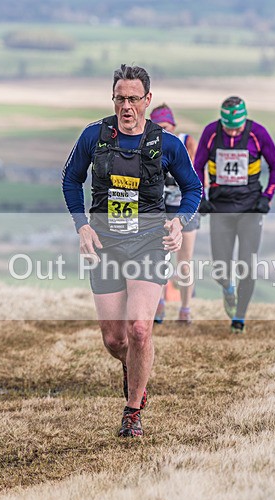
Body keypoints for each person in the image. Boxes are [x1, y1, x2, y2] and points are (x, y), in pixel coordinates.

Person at [62, 65, 202, 437]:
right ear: (113, 99)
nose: (127, 106)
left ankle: (132, 409)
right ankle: (133, 368)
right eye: (120, 98)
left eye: (134, 99)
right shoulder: (94, 136)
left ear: (147, 101)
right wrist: (83, 226)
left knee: (140, 329)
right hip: (105, 244)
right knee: (115, 340)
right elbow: (71, 180)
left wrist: (178, 221)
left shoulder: (166, 144)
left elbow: (193, 189)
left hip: (148, 244)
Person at [193, 96, 275, 334]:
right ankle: (227, 288)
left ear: (245, 120)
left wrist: (267, 197)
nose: (233, 131)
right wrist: (201, 197)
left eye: (238, 127)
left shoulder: (258, 133)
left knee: (247, 265)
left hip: (250, 208)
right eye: (229, 127)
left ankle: (239, 318)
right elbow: (197, 166)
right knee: (221, 266)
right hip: (220, 208)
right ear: (222, 121)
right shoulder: (211, 132)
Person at [149, 103, 200, 326]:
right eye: (158, 127)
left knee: (184, 262)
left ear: (174, 125)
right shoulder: (148, 146)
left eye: (167, 126)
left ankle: (185, 309)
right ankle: (159, 305)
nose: (163, 131)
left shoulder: (187, 142)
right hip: (159, 210)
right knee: (158, 259)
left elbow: (197, 175)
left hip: (184, 209)